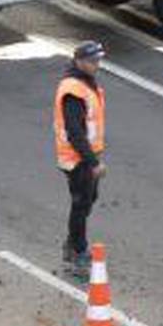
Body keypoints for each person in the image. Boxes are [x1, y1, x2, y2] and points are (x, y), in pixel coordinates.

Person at [54, 41, 108, 274]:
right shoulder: (73, 90)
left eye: (98, 60)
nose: (97, 65)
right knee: (80, 204)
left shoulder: (83, 83)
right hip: (77, 159)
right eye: (93, 61)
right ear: (79, 62)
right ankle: (77, 252)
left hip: (84, 156)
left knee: (87, 200)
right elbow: (75, 131)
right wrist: (92, 162)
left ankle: (72, 244)